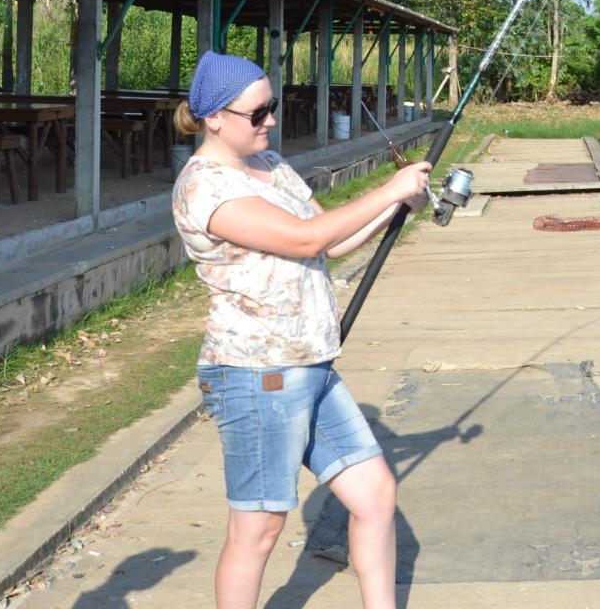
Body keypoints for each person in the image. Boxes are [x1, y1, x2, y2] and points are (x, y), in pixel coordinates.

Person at [171, 51, 430, 609]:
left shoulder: (271, 166)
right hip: (256, 373)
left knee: (376, 495)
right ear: (215, 117)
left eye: (273, 107)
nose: (270, 120)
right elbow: (303, 240)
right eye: (258, 112)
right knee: (259, 529)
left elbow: (331, 241)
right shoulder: (204, 187)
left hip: (310, 363)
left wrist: (398, 204)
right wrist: (387, 190)